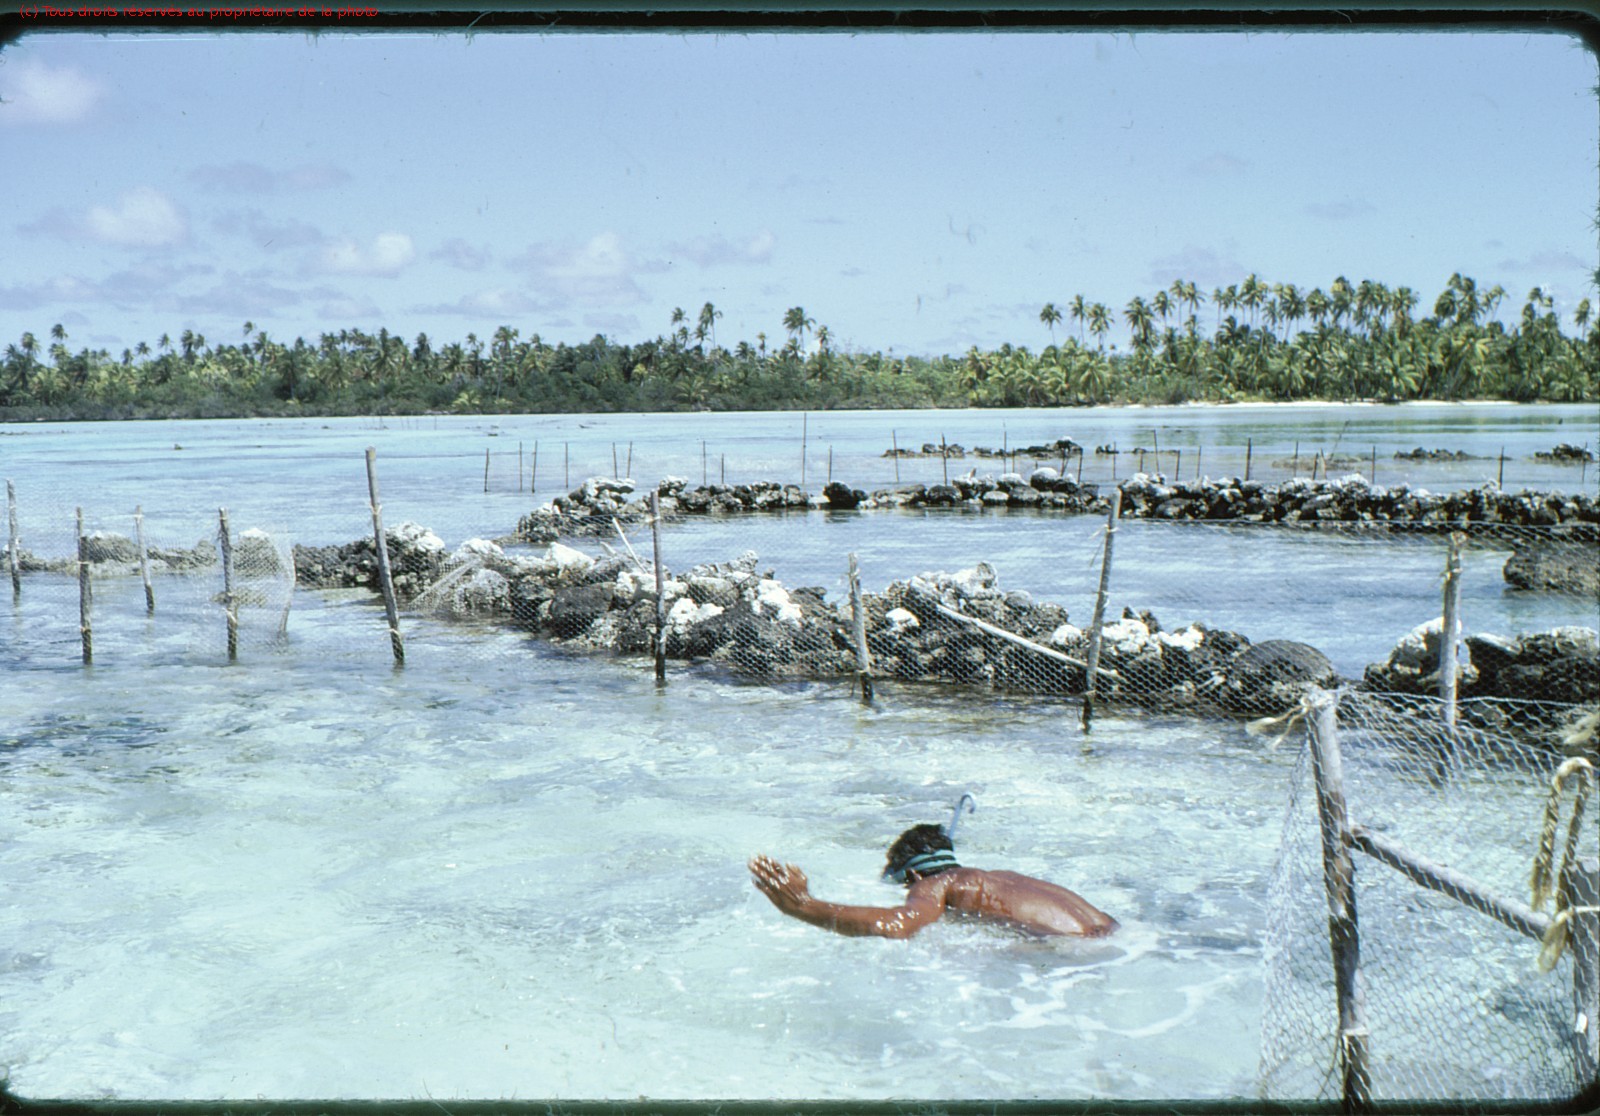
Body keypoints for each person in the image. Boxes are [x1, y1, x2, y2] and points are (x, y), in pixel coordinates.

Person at [749, 821, 1118, 940]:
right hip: (1116, 935)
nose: (911, 893)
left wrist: (803, 906)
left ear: (912, 875)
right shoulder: (1003, 877)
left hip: (1074, 953)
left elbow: (896, 925)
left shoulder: (933, 885)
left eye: (905, 887)